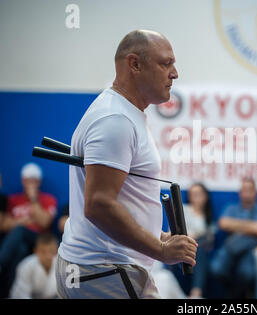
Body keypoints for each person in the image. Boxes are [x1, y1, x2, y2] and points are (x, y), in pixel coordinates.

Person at [56, 30, 197, 299]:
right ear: (134, 64)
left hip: (104, 269)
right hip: (104, 271)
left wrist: (158, 236)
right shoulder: (115, 120)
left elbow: (125, 195)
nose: (175, 73)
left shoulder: (125, 113)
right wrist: (160, 251)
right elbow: (99, 205)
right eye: (165, 63)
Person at [0, 163, 57, 298]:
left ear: (39, 181)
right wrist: (24, 221)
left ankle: (0, 263)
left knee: (20, 230)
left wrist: (33, 198)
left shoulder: (48, 199)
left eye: (34, 180)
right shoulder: (13, 199)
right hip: (17, 242)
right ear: (22, 181)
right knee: (20, 249)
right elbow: (4, 225)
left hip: (38, 238)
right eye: (27, 180)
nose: (30, 184)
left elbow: (44, 222)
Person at [210, 177, 257, 298]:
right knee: (216, 269)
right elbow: (223, 223)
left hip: (252, 249)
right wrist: (250, 227)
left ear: (256, 193)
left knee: (246, 273)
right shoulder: (231, 207)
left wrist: (236, 225)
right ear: (240, 193)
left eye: (250, 190)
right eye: (244, 190)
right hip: (230, 247)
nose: (247, 193)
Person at [182, 183, 215, 298]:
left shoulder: (208, 217)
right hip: (182, 247)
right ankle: (196, 292)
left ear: (205, 196)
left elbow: (210, 242)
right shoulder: (183, 210)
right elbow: (172, 232)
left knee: (200, 248)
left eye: (199, 194)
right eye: (193, 194)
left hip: (199, 250)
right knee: (198, 245)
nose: (196, 197)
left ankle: (196, 292)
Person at [9, 233, 58, 299]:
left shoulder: (61, 266)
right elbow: (22, 295)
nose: (48, 256)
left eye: (51, 251)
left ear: (57, 250)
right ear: (36, 251)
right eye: (43, 252)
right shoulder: (25, 266)